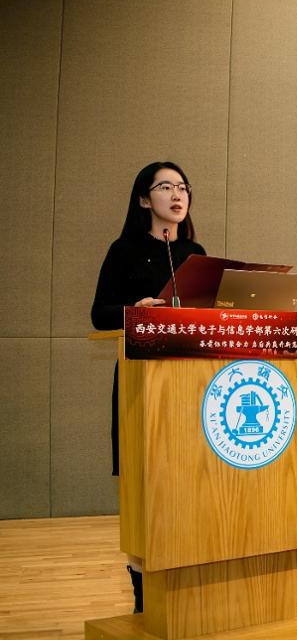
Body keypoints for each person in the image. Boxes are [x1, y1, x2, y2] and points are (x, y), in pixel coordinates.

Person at [91, 161, 206, 612]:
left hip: (190, 384)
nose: (177, 195)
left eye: (182, 187)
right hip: (143, 384)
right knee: (145, 488)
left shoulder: (194, 252)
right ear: (144, 199)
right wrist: (135, 311)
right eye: (165, 187)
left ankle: (188, 583)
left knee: (187, 482)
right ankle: (145, 595)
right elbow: (99, 314)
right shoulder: (124, 250)